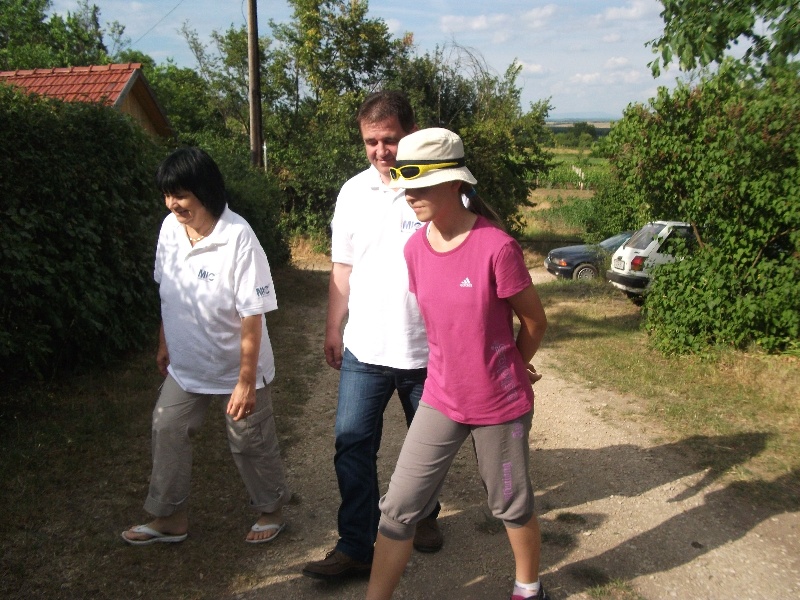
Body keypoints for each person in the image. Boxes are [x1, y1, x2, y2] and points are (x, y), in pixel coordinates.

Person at [365, 128, 549, 600]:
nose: (409, 194)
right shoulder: (414, 249)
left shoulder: (496, 247)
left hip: (499, 406)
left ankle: (528, 587)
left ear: (454, 183)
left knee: (509, 503)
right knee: (398, 509)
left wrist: (512, 365)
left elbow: (534, 322)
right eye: (404, 184)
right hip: (441, 399)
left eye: (420, 184)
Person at [302, 91, 443, 580]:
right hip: (365, 348)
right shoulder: (352, 193)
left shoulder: (435, 187)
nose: (381, 151)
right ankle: (356, 545)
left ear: (410, 133)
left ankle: (424, 515)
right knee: (351, 443)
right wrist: (332, 326)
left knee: (427, 448)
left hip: (426, 350)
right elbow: (342, 266)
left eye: (390, 139)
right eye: (371, 141)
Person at [122, 147, 290, 546]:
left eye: (180, 195)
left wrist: (245, 381)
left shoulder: (238, 237)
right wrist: (165, 341)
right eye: (167, 195)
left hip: (237, 368)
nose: (172, 203)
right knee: (167, 427)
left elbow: (252, 315)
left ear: (205, 191)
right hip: (187, 364)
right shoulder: (169, 229)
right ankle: (170, 518)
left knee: (249, 440)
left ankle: (271, 510)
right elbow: (169, 291)